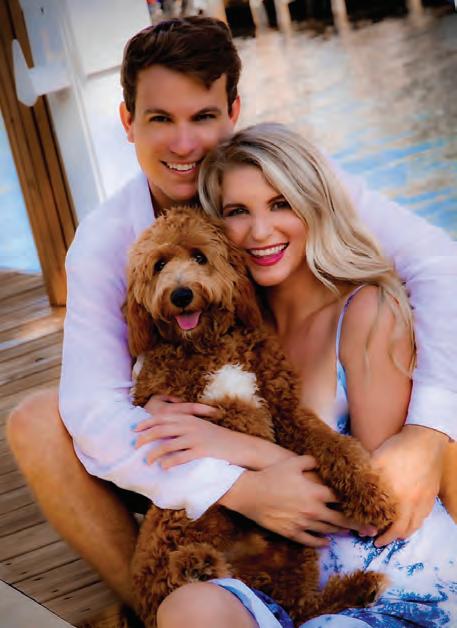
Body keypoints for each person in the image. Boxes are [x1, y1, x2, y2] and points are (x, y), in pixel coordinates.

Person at [6, 16, 457, 614]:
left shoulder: (277, 179)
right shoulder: (105, 241)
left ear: (233, 112)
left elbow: (438, 263)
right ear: (127, 122)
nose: (184, 144)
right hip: (182, 450)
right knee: (36, 423)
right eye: (160, 119)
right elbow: (92, 413)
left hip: (298, 418)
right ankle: (157, 608)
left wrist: (430, 430)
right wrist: (236, 485)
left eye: (202, 116)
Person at [147, 122, 457, 627]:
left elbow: (374, 503)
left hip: (394, 587)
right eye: (237, 212)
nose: (260, 231)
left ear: (314, 206)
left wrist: (233, 448)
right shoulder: (234, 334)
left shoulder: (365, 312)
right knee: (187, 608)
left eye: (280, 204)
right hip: (288, 587)